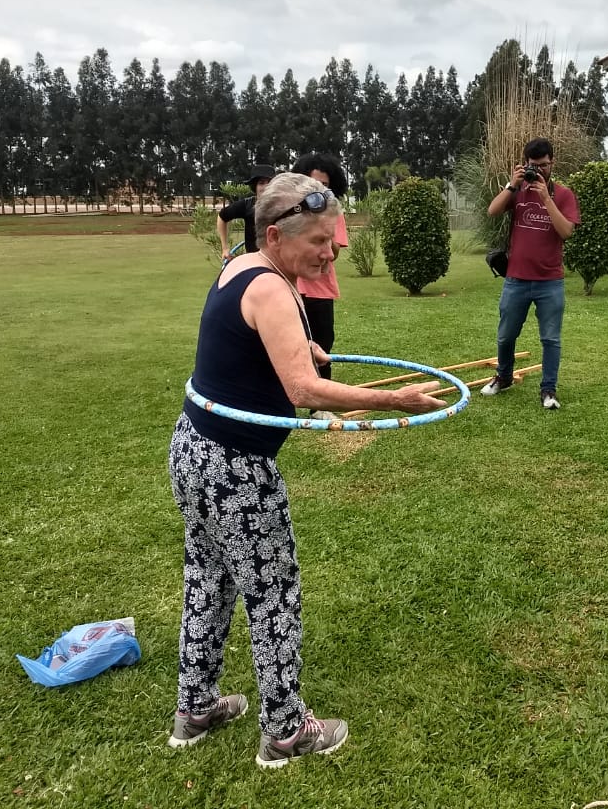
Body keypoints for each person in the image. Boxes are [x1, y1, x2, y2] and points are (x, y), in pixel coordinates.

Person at [167, 173, 444, 769]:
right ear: (275, 233)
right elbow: (301, 390)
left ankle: (194, 708)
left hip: (194, 452)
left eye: (334, 240)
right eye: (320, 240)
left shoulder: (245, 266)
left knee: (209, 581)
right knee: (274, 593)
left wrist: (304, 345)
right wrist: (392, 401)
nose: (332, 250)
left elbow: (255, 346)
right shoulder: (271, 289)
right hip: (234, 469)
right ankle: (287, 731)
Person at [480, 137, 581, 410]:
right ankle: (504, 377)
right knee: (506, 335)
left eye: (545, 165)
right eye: (534, 165)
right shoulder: (518, 189)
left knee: (551, 338)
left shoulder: (563, 195)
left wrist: (546, 198)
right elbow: (492, 211)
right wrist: (513, 185)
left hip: (550, 281)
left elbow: (566, 231)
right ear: (526, 164)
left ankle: (548, 389)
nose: (540, 170)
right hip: (517, 279)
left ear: (552, 163)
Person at [291, 153, 351, 386]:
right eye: (312, 183)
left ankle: (320, 406)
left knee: (322, 346)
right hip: (291, 288)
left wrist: (322, 228)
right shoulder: (290, 211)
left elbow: (333, 254)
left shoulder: (334, 213)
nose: (317, 189)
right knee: (289, 343)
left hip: (320, 289)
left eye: (324, 184)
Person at [215, 163, 276, 263]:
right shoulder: (246, 205)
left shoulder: (282, 206)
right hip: (254, 263)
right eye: (261, 183)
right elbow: (222, 217)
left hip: (278, 262)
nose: (266, 186)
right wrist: (225, 248)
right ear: (254, 186)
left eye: (269, 182)